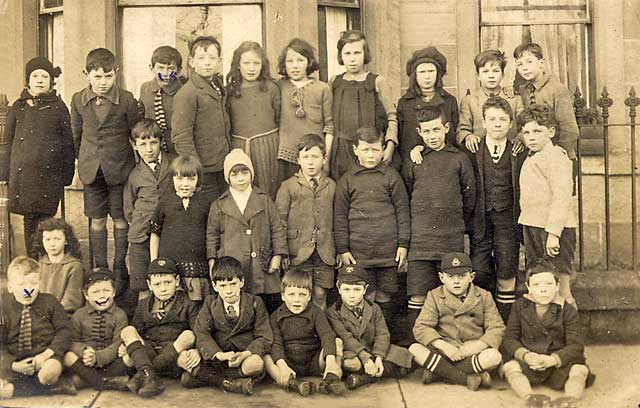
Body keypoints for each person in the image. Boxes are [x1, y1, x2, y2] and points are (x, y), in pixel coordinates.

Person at [70, 48, 140, 297]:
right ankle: (100, 268)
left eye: (108, 76)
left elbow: (135, 134)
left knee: (121, 219)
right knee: (97, 220)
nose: (102, 82)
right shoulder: (78, 100)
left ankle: (120, 270)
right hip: (92, 172)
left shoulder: (128, 100)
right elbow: (76, 136)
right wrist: (81, 164)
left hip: (121, 171)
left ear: (116, 74)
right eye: (97, 76)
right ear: (86, 74)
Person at [402, 106, 475, 335]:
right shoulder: (415, 160)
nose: (432, 136)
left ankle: (447, 343)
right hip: (421, 240)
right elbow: (408, 190)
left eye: (436, 129)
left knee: (450, 292)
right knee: (418, 295)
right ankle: (419, 347)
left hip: (449, 238)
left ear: (446, 128)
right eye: (427, 131)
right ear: (419, 132)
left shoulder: (459, 159)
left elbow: (469, 197)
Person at [333, 127, 410, 329]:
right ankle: (365, 338)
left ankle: (384, 339)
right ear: (355, 150)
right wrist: (343, 249)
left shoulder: (391, 176)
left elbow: (403, 212)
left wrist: (403, 244)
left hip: (387, 252)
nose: (370, 155)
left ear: (383, 149)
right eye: (366, 150)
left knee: (386, 294)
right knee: (365, 295)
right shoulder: (347, 180)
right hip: (360, 253)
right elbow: (340, 217)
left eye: (375, 150)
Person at [0, 57, 74, 257]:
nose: (40, 80)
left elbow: (68, 144)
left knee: (47, 221)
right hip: (24, 177)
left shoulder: (59, 107)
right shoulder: (18, 107)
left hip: (49, 178)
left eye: (45, 76)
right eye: (35, 76)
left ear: (51, 81)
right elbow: (7, 142)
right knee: (29, 220)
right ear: (28, 80)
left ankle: (46, 262)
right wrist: (4, 172)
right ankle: (33, 263)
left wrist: (67, 175)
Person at [463, 97, 527, 323]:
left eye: (502, 119)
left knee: (507, 269)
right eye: (492, 119)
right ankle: (483, 326)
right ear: (483, 122)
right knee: (478, 271)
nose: (497, 124)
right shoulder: (472, 149)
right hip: (481, 220)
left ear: (511, 123)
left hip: (507, 220)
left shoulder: (519, 150)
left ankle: (506, 327)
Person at [501, 263, 595, 405]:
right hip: (531, 361)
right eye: (537, 284)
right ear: (528, 287)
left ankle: (570, 399)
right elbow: (509, 339)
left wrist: (554, 359)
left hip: (557, 363)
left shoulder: (567, 310)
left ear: (557, 286)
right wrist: (525, 355)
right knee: (510, 367)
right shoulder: (519, 306)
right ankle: (530, 398)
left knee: (579, 369)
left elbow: (576, 346)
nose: (543, 290)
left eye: (549, 284)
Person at [207, 149, 288, 313]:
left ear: (251, 174)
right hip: (233, 261)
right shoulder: (219, 204)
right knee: (240, 300)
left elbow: (277, 229)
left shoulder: (263, 199)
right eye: (234, 174)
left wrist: (277, 256)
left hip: (261, 261)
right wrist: (212, 262)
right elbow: (212, 236)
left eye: (245, 172)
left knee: (264, 302)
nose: (241, 178)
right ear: (227, 177)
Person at [409, 253, 505, 391]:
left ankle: (439, 371)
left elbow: (496, 327)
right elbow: (421, 327)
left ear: (471, 277)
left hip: (472, 350)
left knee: (494, 357)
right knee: (414, 349)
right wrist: (442, 345)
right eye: (450, 277)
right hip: (445, 350)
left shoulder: (484, 296)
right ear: (442, 278)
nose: (456, 281)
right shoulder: (434, 295)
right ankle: (465, 378)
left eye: (462, 276)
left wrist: (479, 345)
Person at [184, 256, 273, 396]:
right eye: (223, 286)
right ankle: (231, 382)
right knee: (184, 358)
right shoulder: (210, 302)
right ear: (214, 286)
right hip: (218, 358)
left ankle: (208, 378)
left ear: (241, 282)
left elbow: (264, 336)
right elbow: (201, 333)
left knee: (256, 363)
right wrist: (219, 355)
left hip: (243, 357)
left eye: (233, 284)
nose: (229, 291)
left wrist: (245, 354)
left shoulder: (255, 302)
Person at [517, 107, 577, 306]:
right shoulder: (532, 156)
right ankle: (544, 333)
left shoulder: (556, 157)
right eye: (526, 132)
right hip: (534, 225)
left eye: (537, 131)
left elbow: (561, 197)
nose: (531, 137)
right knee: (539, 283)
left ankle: (570, 333)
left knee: (560, 288)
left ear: (550, 132)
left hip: (554, 230)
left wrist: (553, 234)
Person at [118, 257, 201, 398]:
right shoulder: (143, 304)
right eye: (157, 284)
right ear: (149, 285)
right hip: (149, 351)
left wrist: (197, 350)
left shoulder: (188, 303)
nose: (163, 288)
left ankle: (145, 374)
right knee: (127, 332)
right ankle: (150, 376)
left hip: (173, 352)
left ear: (177, 281)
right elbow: (137, 332)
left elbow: (198, 332)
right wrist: (126, 345)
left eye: (168, 282)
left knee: (188, 335)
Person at [327, 264, 413, 390]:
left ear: (365, 289)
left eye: (357, 290)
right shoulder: (334, 312)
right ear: (339, 289)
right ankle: (378, 372)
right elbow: (346, 337)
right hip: (352, 351)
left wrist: (378, 357)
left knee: (406, 356)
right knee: (351, 364)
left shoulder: (374, 308)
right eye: (346, 290)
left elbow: (382, 334)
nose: (351, 295)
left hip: (373, 348)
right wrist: (365, 358)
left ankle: (367, 375)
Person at [275, 134, 336, 310]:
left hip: (325, 250)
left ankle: (319, 331)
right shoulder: (288, 186)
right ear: (298, 160)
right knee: (299, 293)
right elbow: (280, 222)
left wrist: (338, 250)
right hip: (298, 251)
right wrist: (283, 251)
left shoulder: (332, 186)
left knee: (320, 293)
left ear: (324, 159)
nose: (310, 162)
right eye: (305, 157)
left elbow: (338, 220)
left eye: (315, 157)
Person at [0, 257, 75, 398]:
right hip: (15, 361)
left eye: (33, 283)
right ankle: (53, 387)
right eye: (21, 284)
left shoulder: (49, 301)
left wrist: (45, 354)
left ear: (39, 283)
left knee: (49, 373)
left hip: (45, 357)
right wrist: (13, 365)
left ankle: (18, 390)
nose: (28, 289)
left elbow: (64, 331)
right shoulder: (3, 306)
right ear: (10, 287)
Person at [264, 270, 347, 396]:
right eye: (291, 294)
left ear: (309, 296)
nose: (296, 300)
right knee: (266, 357)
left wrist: (330, 362)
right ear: (283, 295)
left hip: (313, 361)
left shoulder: (316, 312)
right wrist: (283, 366)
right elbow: (277, 344)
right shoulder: (275, 316)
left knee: (337, 342)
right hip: (288, 362)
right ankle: (292, 383)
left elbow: (327, 335)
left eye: (302, 295)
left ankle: (331, 377)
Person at [329, 30, 398, 179]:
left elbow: (391, 116)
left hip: (369, 151)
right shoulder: (334, 82)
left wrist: (390, 145)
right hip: (340, 152)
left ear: (365, 54)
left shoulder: (377, 81)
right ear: (340, 56)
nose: (352, 59)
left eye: (357, 53)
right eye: (347, 54)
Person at [172, 36, 230, 204]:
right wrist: (196, 171)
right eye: (201, 58)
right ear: (191, 61)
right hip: (204, 170)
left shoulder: (218, 86)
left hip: (222, 165)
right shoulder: (188, 93)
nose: (207, 63)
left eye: (212, 58)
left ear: (219, 60)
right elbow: (181, 137)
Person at [124, 119, 175, 307]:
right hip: (141, 235)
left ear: (160, 142)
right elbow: (129, 209)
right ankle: (144, 320)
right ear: (135, 146)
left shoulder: (173, 164)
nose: (149, 149)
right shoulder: (134, 175)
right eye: (142, 144)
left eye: (153, 142)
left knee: (167, 279)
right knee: (142, 283)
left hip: (168, 233)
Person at [149, 155, 211, 302]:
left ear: (198, 180)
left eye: (191, 179)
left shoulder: (205, 203)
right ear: (172, 179)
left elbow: (211, 235)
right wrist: (154, 262)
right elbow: (155, 234)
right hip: (170, 268)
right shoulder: (165, 202)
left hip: (196, 269)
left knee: (195, 304)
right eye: (180, 178)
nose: (185, 184)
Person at [226, 41, 281, 199]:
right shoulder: (230, 91)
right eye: (246, 63)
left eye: (256, 63)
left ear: (262, 65)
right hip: (239, 147)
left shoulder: (271, 88)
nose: (251, 68)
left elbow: (278, 117)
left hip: (267, 147)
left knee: (267, 191)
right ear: (238, 65)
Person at [63, 268, 131, 391]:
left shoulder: (120, 315)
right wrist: (83, 351)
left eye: (106, 290)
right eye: (95, 292)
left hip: (111, 363)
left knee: (129, 357)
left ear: (114, 292)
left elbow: (117, 343)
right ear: (86, 295)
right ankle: (104, 382)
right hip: (85, 364)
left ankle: (90, 381)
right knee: (68, 356)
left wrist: (98, 357)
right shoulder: (79, 315)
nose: (102, 295)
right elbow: (71, 341)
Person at [276, 38, 333, 183]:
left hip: (313, 158)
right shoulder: (278, 87)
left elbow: (329, 127)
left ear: (309, 62)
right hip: (285, 157)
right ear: (284, 64)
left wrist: (325, 158)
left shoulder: (322, 89)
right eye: (290, 61)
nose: (295, 66)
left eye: (300, 60)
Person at [513, 42, 579, 161]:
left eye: (529, 62)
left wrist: (554, 153)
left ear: (541, 63)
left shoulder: (558, 90)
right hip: (533, 156)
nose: (525, 68)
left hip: (558, 156)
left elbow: (569, 130)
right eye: (520, 64)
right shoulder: (523, 90)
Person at [398, 46, 458, 164]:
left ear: (438, 74)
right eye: (422, 72)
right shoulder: (405, 103)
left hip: (444, 161)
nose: (427, 77)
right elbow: (402, 138)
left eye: (431, 71)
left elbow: (453, 136)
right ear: (415, 75)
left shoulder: (449, 101)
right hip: (413, 162)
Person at [456, 49, 523, 153]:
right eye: (485, 71)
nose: (491, 76)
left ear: (503, 74)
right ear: (478, 75)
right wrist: (468, 136)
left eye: (496, 71)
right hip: (480, 153)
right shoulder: (469, 100)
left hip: (510, 152)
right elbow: (462, 129)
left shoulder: (514, 99)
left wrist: (520, 139)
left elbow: (524, 126)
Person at [31, 218, 85, 314]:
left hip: (63, 317)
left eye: (57, 239)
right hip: (40, 316)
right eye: (47, 239)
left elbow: (72, 301)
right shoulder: (38, 265)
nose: (52, 244)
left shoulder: (74, 266)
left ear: (66, 241)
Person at [138, 45, 184, 154]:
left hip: (176, 147)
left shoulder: (184, 92)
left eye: (171, 68)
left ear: (179, 70)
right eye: (161, 68)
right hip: (151, 148)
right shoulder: (145, 88)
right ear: (151, 68)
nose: (165, 73)